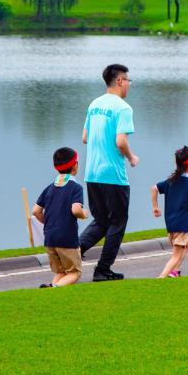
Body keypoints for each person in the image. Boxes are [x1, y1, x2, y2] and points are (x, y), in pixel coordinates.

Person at [79, 63, 139, 282]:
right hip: (112, 174)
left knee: (102, 220)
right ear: (120, 81)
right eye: (128, 81)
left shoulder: (94, 104)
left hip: (92, 173)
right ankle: (103, 269)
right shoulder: (123, 108)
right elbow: (121, 142)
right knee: (118, 221)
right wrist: (131, 157)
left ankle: (73, 252)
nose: (129, 85)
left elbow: (85, 138)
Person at [32, 147, 88, 288]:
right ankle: (54, 288)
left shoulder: (49, 188)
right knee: (74, 273)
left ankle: (51, 287)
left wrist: (49, 222)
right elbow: (76, 210)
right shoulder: (75, 188)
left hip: (50, 238)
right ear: (75, 166)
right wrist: (84, 214)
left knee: (62, 272)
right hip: (67, 238)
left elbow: (36, 211)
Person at [151, 146, 188, 278]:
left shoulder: (170, 181)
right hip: (182, 227)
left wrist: (155, 207)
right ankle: (161, 279)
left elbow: (154, 188)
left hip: (171, 226)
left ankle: (174, 272)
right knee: (175, 256)